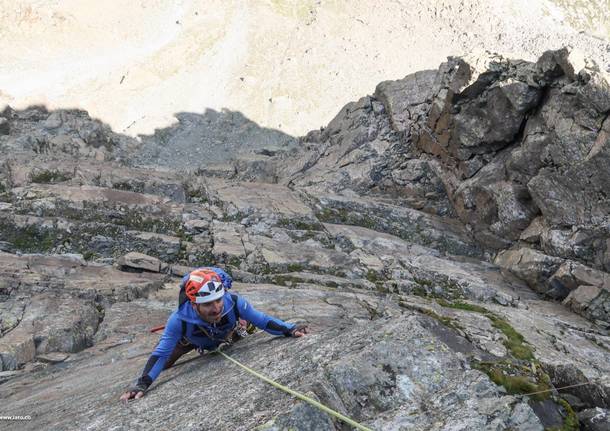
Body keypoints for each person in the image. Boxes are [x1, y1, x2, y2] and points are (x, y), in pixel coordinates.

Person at [120, 268, 308, 401]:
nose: (217, 307)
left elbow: (263, 320)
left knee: (244, 319)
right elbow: (160, 354)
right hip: (191, 340)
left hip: (223, 331)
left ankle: (237, 330)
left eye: (218, 300)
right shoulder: (179, 320)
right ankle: (234, 331)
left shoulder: (233, 302)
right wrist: (142, 384)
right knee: (166, 364)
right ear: (195, 305)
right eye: (208, 304)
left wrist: (290, 329)